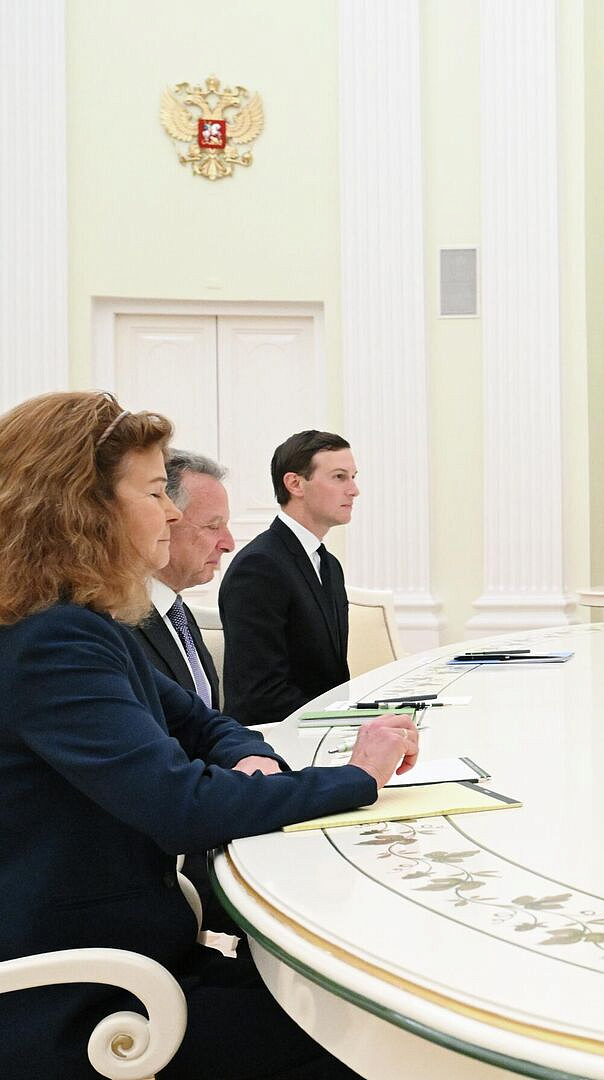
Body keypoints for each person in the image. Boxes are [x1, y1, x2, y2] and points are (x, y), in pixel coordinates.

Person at [0, 391, 418, 1079]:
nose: (171, 511)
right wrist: (358, 778)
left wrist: (251, 757)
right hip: (89, 1000)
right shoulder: (55, 639)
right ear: (82, 509)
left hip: (136, 958)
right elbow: (181, 806)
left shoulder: (80, 621)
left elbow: (200, 721)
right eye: (153, 491)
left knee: (348, 996)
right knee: (369, 1036)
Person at [219, 430, 356, 726]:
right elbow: (261, 697)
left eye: (353, 477)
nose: (354, 490)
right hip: (275, 738)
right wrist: (348, 720)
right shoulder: (259, 567)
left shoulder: (329, 565)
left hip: (319, 730)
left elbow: (330, 679)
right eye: (339, 477)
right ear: (295, 484)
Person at [135, 449, 233, 711]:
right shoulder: (120, 621)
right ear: (165, 521)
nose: (229, 544)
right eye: (213, 527)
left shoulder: (177, 612)